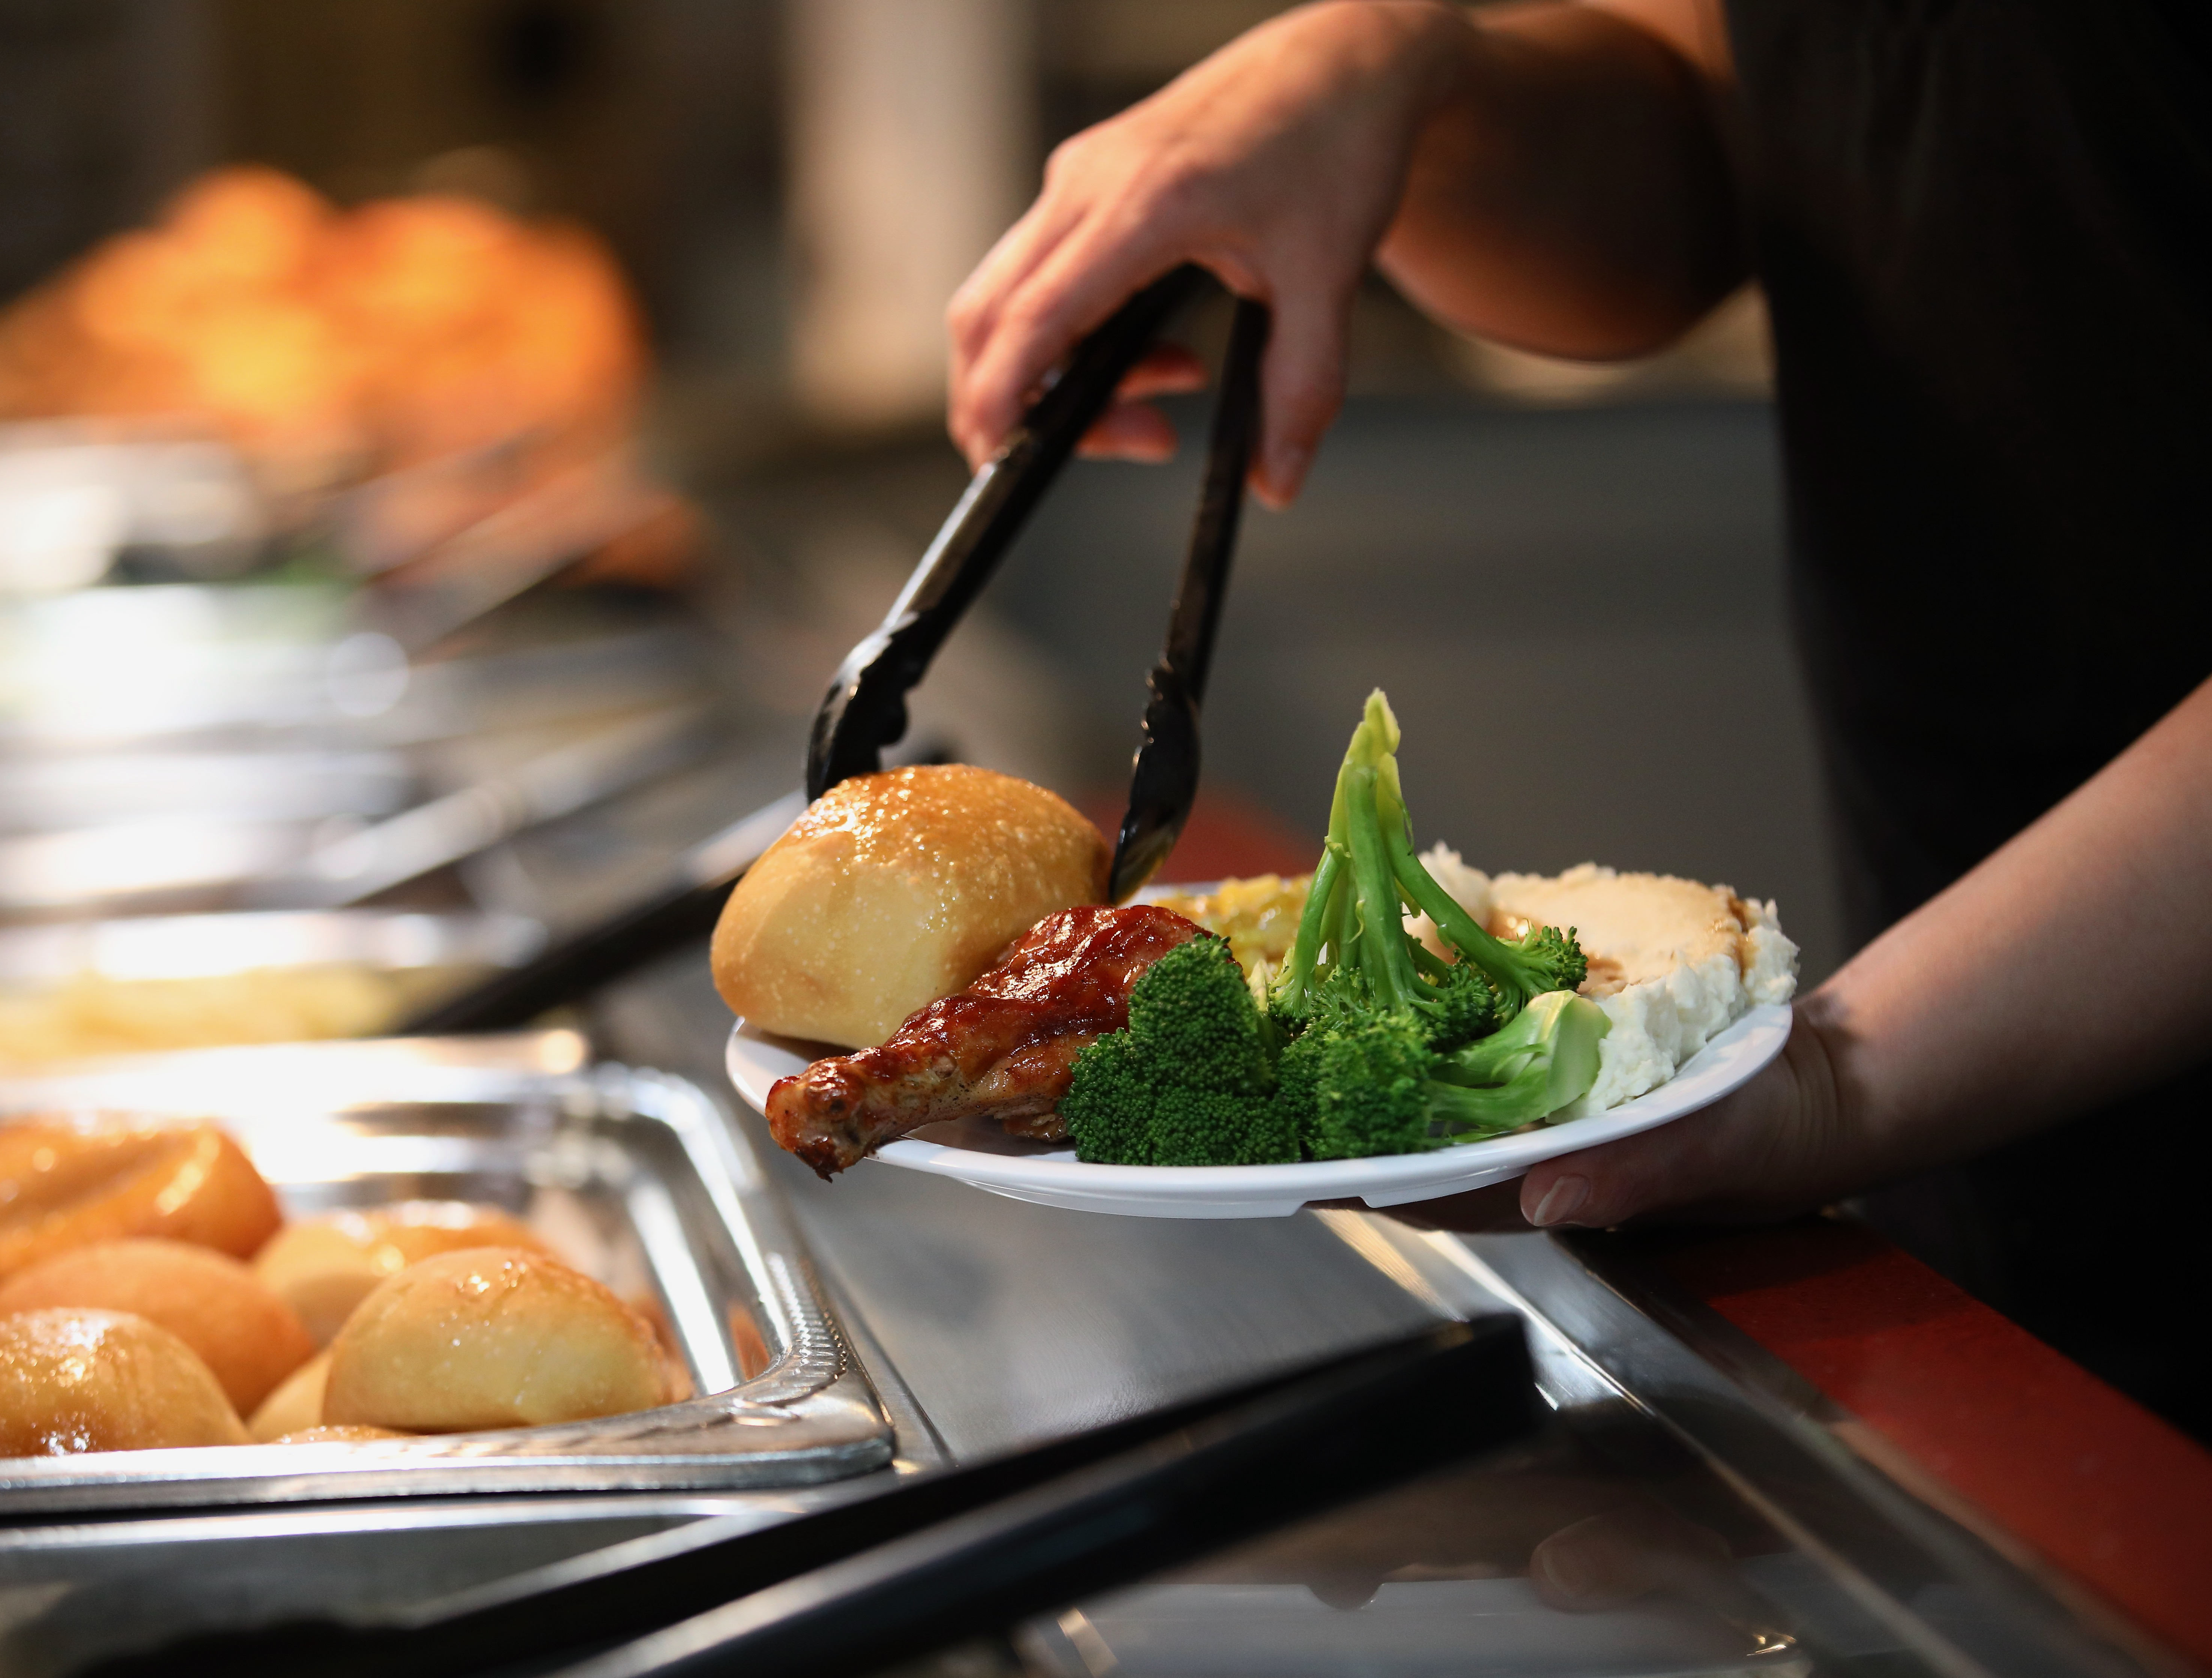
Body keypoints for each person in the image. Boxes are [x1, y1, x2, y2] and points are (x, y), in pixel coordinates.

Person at [947, 1, 2212, 1433]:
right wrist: (1406, 80)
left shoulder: (1858, 1084)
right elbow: (1713, 143)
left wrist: (1849, 1087)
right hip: (1974, 1099)